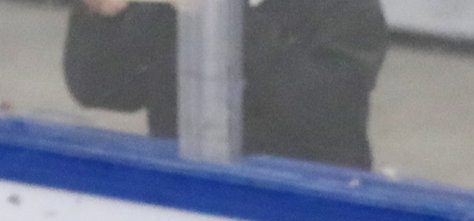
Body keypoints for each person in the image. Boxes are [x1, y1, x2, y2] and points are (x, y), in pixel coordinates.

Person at [62, 0, 388, 171]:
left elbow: (323, 110)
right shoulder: (169, 10)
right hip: (187, 193)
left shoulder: (346, 7)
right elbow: (102, 88)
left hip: (306, 211)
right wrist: (102, 16)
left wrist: (223, 14)